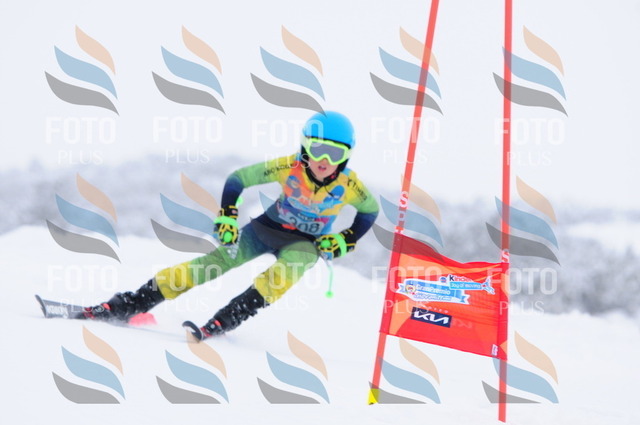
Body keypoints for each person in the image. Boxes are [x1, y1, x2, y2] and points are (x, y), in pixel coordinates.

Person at [83, 111, 379, 340]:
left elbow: (370, 211)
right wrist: (227, 214)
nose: (324, 160)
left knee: (280, 278)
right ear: (304, 146)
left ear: (347, 156)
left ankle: (225, 319)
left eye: (335, 154)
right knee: (211, 265)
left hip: (304, 245)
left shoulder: (349, 185)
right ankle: (131, 304)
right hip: (266, 230)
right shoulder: (288, 166)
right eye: (317, 149)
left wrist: (347, 238)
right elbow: (239, 178)